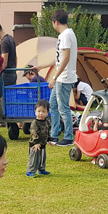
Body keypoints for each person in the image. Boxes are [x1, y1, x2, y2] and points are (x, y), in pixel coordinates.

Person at [47, 9, 77, 146]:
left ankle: (69, 137)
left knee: (63, 107)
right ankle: (53, 135)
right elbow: (59, 59)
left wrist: (54, 77)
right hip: (61, 77)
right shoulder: (67, 34)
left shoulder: (65, 36)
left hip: (64, 78)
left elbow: (65, 59)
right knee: (53, 105)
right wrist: (40, 66)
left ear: (56, 22)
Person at [26, 99, 51, 177]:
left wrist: (49, 139)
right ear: (35, 111)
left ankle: (41, 169)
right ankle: (30, 171)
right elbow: (33, 132)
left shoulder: (47, 122)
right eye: (39, 111)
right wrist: (36, 142)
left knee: (42, 158)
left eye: (43, 112)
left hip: (43, 144)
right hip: (35, 145)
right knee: (34, 158)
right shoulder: (35, 122)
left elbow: (48, 131)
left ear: (47, 113)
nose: (41, 113)